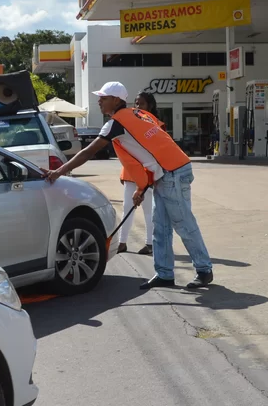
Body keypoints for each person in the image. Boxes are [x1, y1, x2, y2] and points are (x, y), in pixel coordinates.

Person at [44, 82, 215, 290]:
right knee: (160, 228)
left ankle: (204, 270)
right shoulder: (138, 114)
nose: (99, 101)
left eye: (104, 97)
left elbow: (88, 152)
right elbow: (148, 151)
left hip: (173, 172)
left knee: (183, 223)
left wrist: (58, 172)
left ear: (116, 100)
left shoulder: (117, 123)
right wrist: (141, 187)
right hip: (169, 171)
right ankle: (164, 274)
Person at [118, 91, 158, 255]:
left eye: (141, 104)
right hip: (130, 173)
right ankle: (122, 243)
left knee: (148, 210)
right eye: (135, 103)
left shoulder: (153, 125)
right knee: (127, 209)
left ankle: (150, 243)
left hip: (147, 174)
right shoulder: (130, 121)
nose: (137, 107)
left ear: (150, 106)